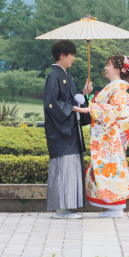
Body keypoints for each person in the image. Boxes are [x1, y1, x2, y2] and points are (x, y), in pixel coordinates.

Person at [43, 39, 93, 219]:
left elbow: (71, 101)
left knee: (71, 167)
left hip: (70, 130)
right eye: (71, 55)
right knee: (65, 167)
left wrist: (84, 94)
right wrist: (73, 108)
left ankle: (68, 206)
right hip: (61, 131)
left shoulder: (65, 75)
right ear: (62, 55)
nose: (73, 58)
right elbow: (52, 103)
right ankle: (61, 209)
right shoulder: (54, 75)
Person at [84, 54, 129, 218]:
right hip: (113, 135)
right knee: (110, 169)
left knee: (112, 168)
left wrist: (92, 108)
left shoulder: (118, 91)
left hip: (113, 137)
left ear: (118, 70)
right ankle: (114, 206)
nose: (105, 68)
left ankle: (116, 206)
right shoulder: (116, 89)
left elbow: (112, 112)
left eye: (108, 65)